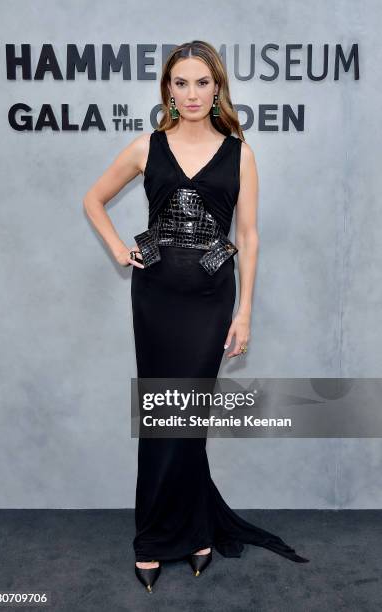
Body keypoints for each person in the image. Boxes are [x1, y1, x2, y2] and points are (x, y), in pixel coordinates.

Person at [83, 40, 309, 594]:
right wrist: (117, 248)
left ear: (217, 89)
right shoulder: (146, 147)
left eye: (201, 83)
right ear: (168, 89)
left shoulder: (240, 153)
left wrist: (246, 311)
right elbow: (93, 199)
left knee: (190, 421)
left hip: (211, 300)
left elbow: (249, 237)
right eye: (180, 83)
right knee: (162, 416)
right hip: (155, 296)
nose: (190, 94)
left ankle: (193, 527)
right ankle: (155, 538)